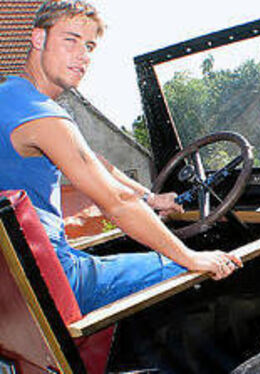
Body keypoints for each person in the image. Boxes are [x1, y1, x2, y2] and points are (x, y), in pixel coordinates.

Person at [0, 0, 241, 315]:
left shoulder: (11, 99)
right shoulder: (42, 116)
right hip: (54, 275)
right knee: (186, 272)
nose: (82, 56)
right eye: (69, 40)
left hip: (16, 278)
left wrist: (150, 198)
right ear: (38, 39)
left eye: (89, 46)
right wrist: (192, 258)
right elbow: (115, 202)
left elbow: (92, 161)